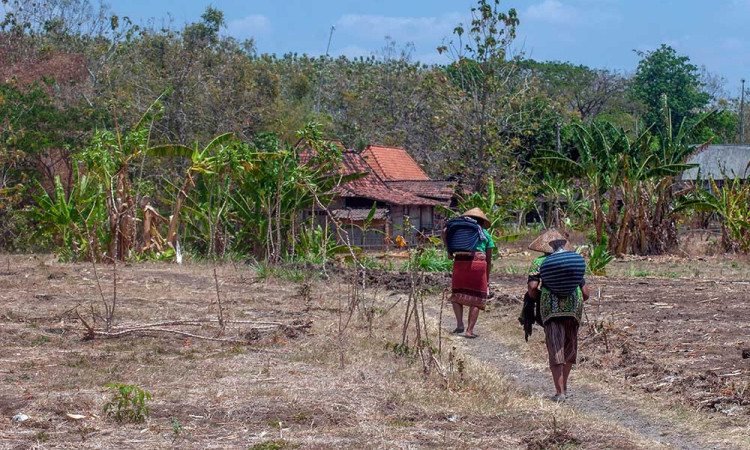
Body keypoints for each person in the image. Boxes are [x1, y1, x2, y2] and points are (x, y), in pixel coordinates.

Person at [525, 229, 589, 402]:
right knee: (569, 346)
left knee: (555, 347)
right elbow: (586, 292)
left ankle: (559, 392)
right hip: (574, 306)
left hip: (551, 308)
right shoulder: (572, 260)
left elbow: (532, 287)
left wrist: (538, 299)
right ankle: (565, 387)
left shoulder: (539, 262)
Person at [443, 208, 494, 339]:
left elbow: (444, 231)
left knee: (456, 295)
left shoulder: (457, 230)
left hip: (459, 262)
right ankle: (469, 331)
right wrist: (486, 278)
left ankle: (459, 325)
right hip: (478, 264)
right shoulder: (485, 233)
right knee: (476, 298)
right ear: (482, 221)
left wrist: (449, 252)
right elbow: (489, 259)